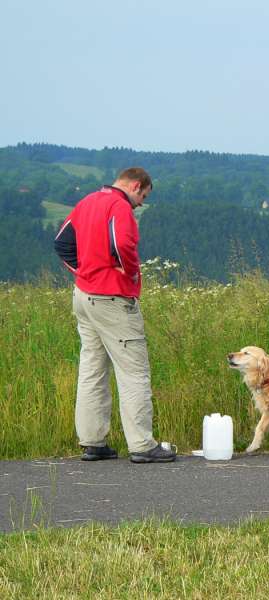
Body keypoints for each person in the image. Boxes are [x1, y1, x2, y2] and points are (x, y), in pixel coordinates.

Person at [54, 167, 176, 463]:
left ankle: (93, 442)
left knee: (92, 369)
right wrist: (130, 272)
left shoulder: (87, 201)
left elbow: (62, 243)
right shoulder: (120, 207)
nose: (141, 204)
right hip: (113, 298)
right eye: (143, 196)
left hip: (83, 296)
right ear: (136, 185)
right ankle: (142, 445)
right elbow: (122, 244)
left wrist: (82, 271)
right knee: (134, 371)